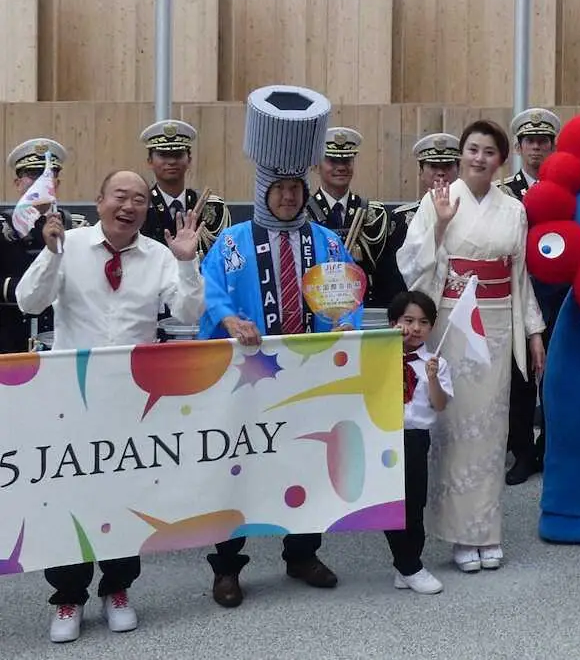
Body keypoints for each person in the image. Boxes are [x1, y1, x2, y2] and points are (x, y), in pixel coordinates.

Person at [15, 170, 205, 643]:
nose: (129, 205)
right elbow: (27, 301)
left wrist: (186, 262)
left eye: (139, 199)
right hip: (69, 402)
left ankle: (117, 588)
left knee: (125, 498)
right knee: (68, 498)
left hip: (131, 402)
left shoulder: (159, 256)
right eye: (120, 196)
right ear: (99, 200)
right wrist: (51, 253)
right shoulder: (69, 244)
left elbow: (189, 313)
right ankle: (67, 597)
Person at [198, 84, 361, 607]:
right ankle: (226, 567)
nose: (289, 196)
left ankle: (302, 552)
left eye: (296, 187)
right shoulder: (232, 241)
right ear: (264, 187)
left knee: (306, 461)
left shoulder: (329, 243)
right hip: (246, 375)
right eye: (280, 188)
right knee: (237, 466)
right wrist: (228, 321)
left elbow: (349, 295)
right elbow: (210, 293)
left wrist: (344, 326)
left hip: (310, 374)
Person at [396, 119, 546, 573]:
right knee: (453, 428)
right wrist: (440, 228)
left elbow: (520, 277)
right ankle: (459, 534)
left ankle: (485, 529)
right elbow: (411, 267)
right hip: (452, 323)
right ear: (462, 155)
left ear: (502, 159)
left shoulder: (513, 209)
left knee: (489, 429)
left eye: (489, 151)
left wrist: (534, 333)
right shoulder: (437, 201)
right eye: (473, 150)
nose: (480, 158)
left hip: (498, 324)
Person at [500, 108, 566, 485]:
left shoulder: (567, 190)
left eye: (543, 142)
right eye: (530, 142)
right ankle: (522, 451)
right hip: (520, 292)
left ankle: (551, 447)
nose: (537, 148)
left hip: (560, 294)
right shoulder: (505, 193)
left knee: (558, 376)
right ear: (520, 147)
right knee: (520, 378)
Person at [383, 290, 453, 594]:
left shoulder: (435, 362)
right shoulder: (378, 356)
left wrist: (433, 377)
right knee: (390, 504)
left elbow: (439, 405)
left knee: (414, 502)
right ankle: (410, 566)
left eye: (423, 322)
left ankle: (408, 562)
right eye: (407, 320)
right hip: (384, 436)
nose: (415, 328)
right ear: (392, 322)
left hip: (415, 438)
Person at [0, 139, 87, 354]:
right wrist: (23, 289)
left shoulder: (77, 226)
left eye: (48, 176)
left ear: (56, 184)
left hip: (61, 333)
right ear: (18, 183)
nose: (40, 183)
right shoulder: (3, 227)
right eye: (33, 176)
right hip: (10, 332)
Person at [304, 126, 391, 306]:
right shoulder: (303, 215)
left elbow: (383, 272)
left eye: (346, 160)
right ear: (316, 164)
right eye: (333, 160)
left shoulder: (374, 214)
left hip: (364, 308)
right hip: (316, 307)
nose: (341, 167)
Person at [373, 132, 461, 306]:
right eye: (433, 166)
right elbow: (392, 274)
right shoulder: (400, 218)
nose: (441, 173)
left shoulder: (468, 212)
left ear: (458, 169)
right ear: (421, 172)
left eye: (448, 166)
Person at [138, 119, 231, 258]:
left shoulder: (212, 207)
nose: (171, 161)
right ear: (150, 161)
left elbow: (223, 257)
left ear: (189, 160)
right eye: (163, 155)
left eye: (178, 155)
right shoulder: (140, 207)